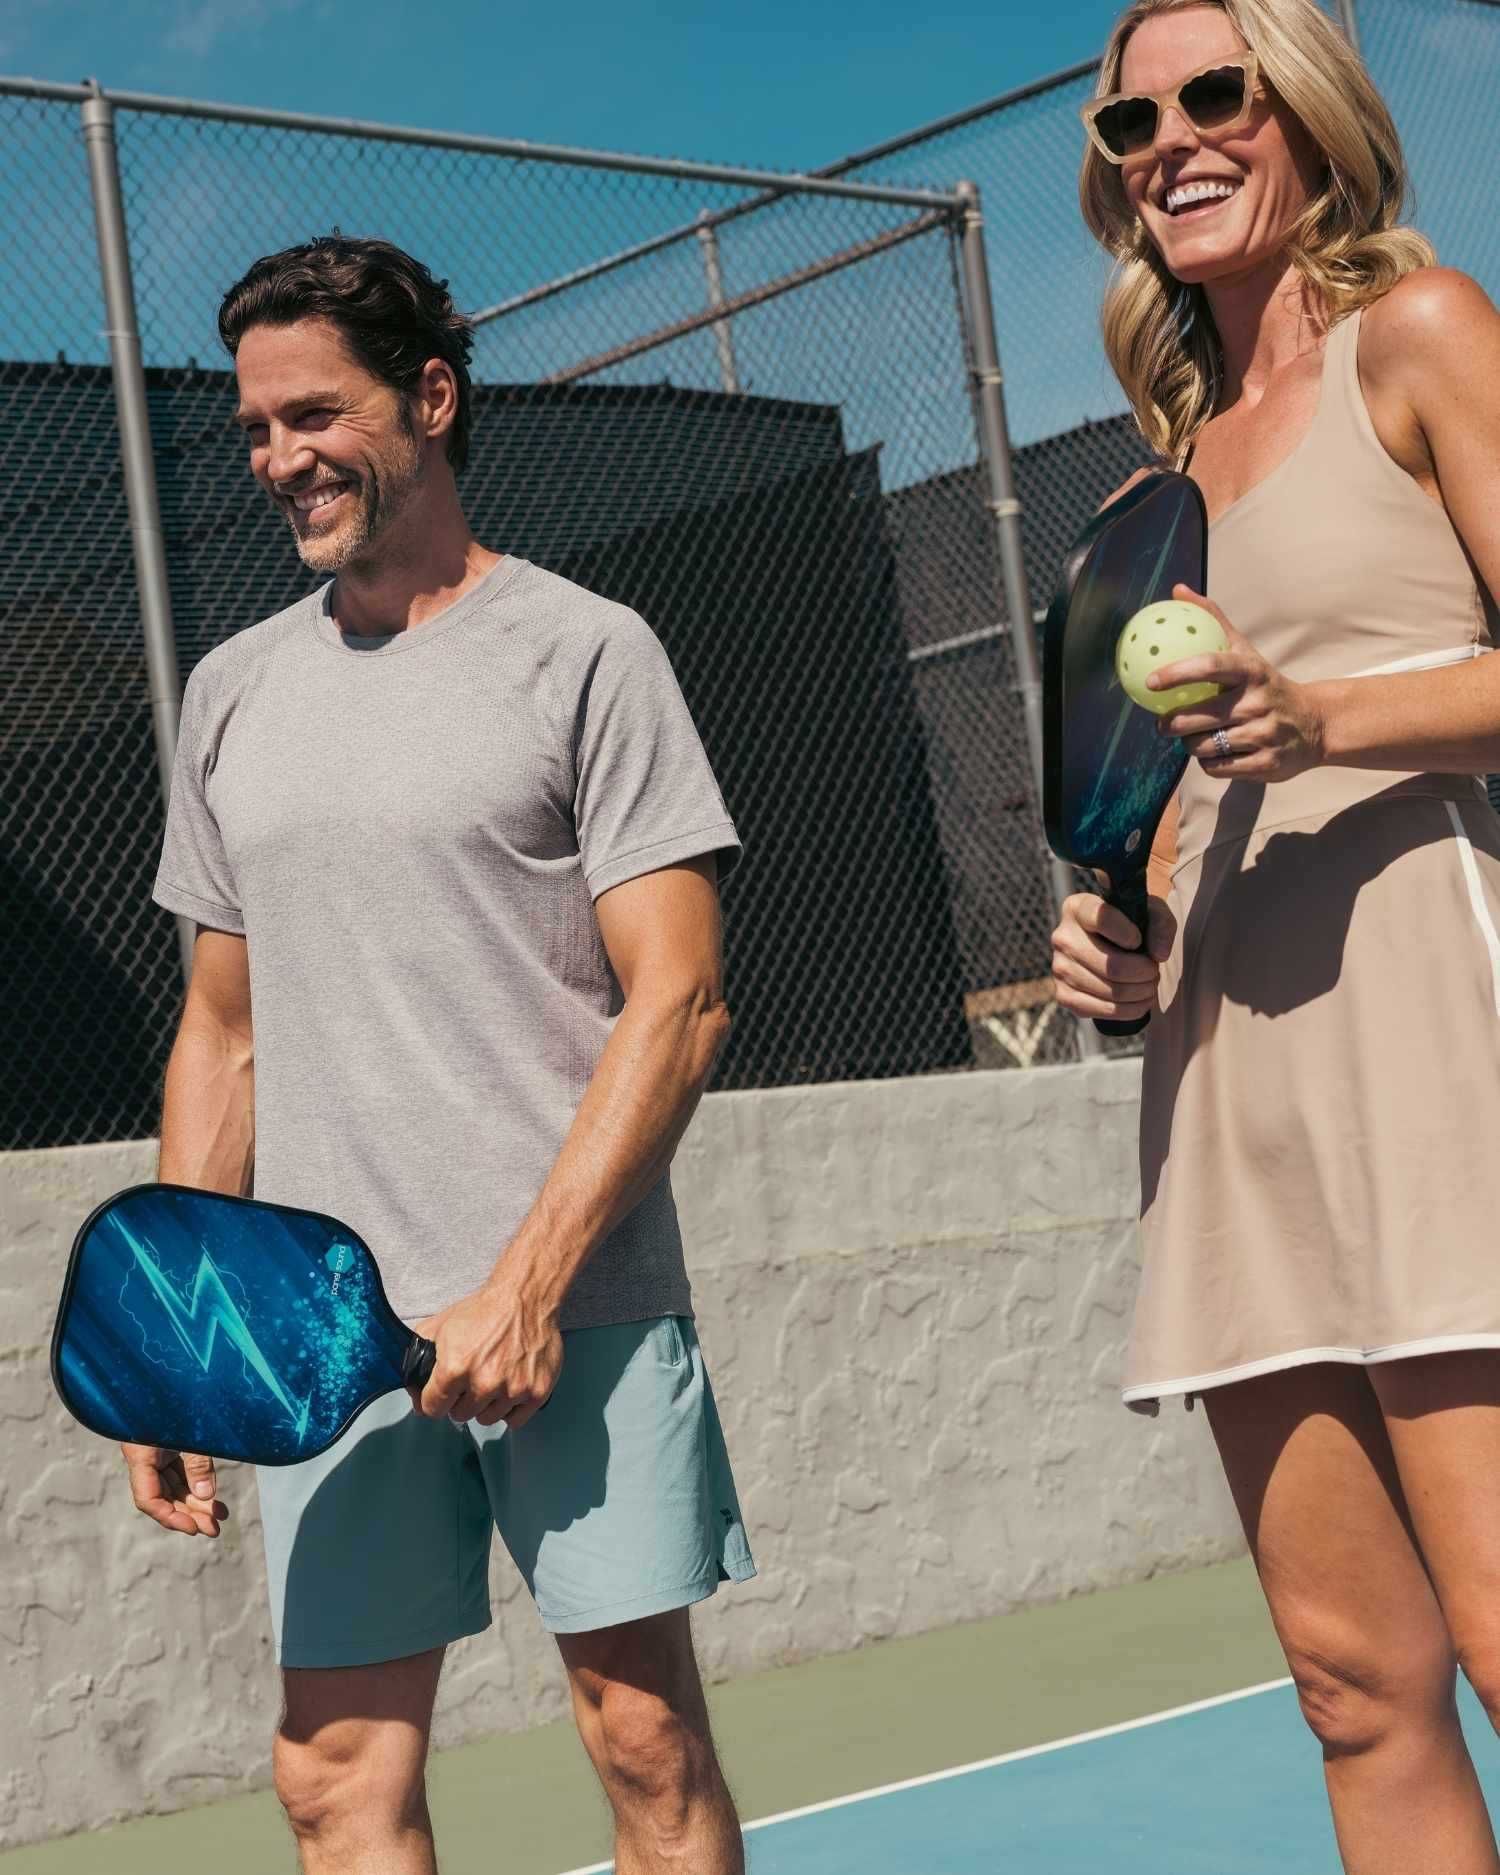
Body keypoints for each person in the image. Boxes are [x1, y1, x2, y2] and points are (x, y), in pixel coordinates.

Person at [119, 234, 755, 1875]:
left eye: (314, 415)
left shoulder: (587, 652)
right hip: (328, 1339)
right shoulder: (232, 695)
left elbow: (680, 1001)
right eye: (256, 428)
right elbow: (224, 1034)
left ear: (432, 398)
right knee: (333, 1783)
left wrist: (527, 1285)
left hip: (576, 1309)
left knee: (645, 1744)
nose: (279, 458)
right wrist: (183, 1338)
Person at [1052, 1, 1500, 1867]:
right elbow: (1158, 815)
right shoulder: (1141, 500)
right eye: (1132, 120)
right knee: (1353, 1685)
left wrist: (1332, 718)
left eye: (1216, 95)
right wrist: (1122, 950)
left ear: (1307, 117)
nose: (1172, 140)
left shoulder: (1427, 333)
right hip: (1229, 1093)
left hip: (1438, 1044)